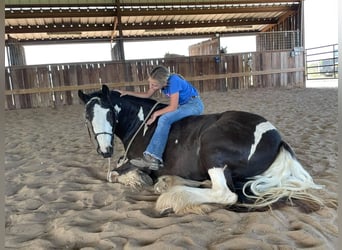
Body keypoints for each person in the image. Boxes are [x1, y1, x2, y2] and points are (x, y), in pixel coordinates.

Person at [117, 65, 204, 170]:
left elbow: (173, 107)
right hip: (185, 105)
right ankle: (152, 156)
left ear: (164, 82)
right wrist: (128, 93)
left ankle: (154, 158)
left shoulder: (174, 81)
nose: (151, 86)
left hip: (193, 105)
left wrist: (155, 114)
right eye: (150, 83)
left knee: (164, 119)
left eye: (154, 85)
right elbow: (147, 94)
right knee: (163, 118)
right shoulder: (161, 82)